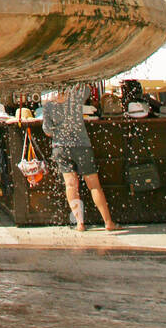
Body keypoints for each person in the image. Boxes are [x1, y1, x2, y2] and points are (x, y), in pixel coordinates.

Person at [42, 85, 121, 233]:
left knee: (71, 185)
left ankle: (79, 223)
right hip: (82, 146)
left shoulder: (48, 103)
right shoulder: (75, 96)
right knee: (94, 185)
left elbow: (47, 130)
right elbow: (87, 89)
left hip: (61, 147)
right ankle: (108, 222)